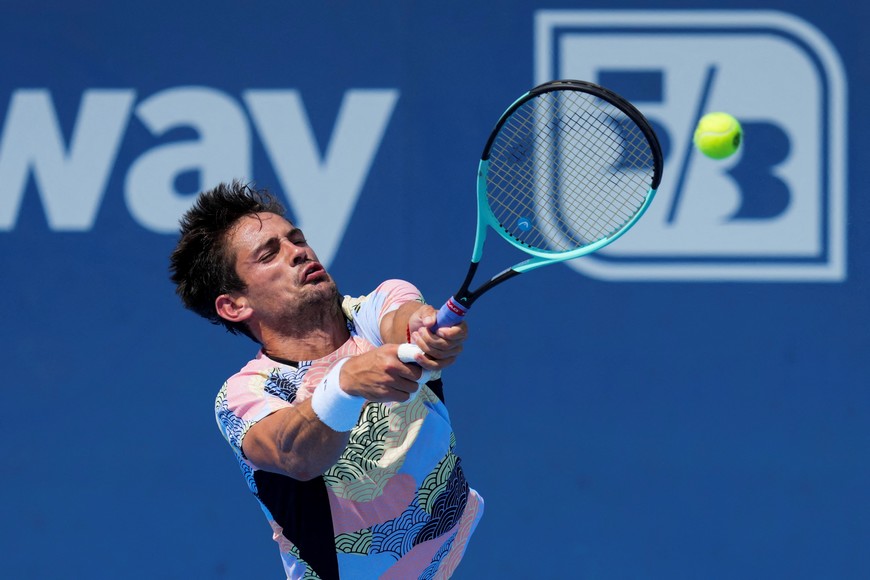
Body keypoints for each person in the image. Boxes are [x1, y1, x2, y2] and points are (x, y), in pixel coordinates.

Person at [169, 181, 483, 579]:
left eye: (295, 239)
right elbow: (295, 454)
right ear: (234, 305)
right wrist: (345, 383)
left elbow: (403, 316)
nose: (297, 251)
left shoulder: (372, 313)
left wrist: (422, 330)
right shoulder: (244, 394)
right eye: (270, 255)